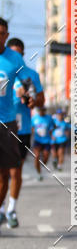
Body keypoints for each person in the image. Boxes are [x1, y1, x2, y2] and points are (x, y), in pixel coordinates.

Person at [1, 37, 45, 226]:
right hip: (6, 126)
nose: (15, 57)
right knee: (2, 173)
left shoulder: (29, 76)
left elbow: (39, 99)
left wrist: (31, 99)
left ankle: (11, 208)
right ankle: (2, 209)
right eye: (13, 52)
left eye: (19, 53)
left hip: (22, 129)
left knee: (15, 171)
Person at [0, 19, 33, 231]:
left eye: (2, 33)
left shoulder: (14, 60)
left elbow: (29, 82)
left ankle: (8, 209)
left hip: (8, 124)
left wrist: (30, 96)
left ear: (6, 34)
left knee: (8, 172)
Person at [31, 106, 55, 180]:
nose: (41, 112)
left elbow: (53, 127)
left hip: (46, 141)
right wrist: (33, 133)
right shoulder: (34, 118)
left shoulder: (49, 118)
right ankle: (39, 174)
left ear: (45, 110)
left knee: (45, 157)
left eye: (43, 110)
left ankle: (43, 163)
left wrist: (52, 135)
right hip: (37, 140)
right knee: (36, 156)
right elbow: (32, 127)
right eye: (40, 110)